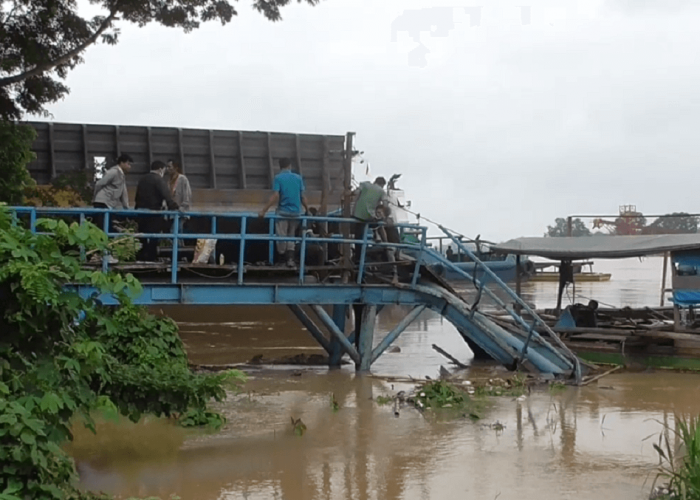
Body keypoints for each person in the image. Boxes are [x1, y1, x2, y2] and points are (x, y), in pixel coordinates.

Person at [258, 158, 308, 267]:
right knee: (291, 235)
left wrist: (263, 210)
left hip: (283, 212)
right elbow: (302, 197)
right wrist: (308, 210)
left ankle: (281, 260)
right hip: (296, 213)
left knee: (281, 236)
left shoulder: (278, 178)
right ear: (289, 165)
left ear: (280, 166)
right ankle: (290, 260)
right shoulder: (298, 178)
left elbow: (275, 196)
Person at [135, 161, 179, 262]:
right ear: (160, 169)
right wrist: (173, 206)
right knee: (154, 237)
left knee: (143, 237)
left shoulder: (142, 179)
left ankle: (141, 257)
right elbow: (166, 195)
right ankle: (151, 257)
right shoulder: (158, 180)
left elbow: (137, 197)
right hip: (154, 213)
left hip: (141, 212)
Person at [92, 153, 132, 233]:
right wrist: (95, 197)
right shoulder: (113, 172)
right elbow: (99, 183)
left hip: (108, 203)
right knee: (104, 226)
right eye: (128, 164)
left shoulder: (121, 175)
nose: (129, 167)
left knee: (108, 225)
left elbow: (123, 192)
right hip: (102, 202)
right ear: (121, 163)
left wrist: (126, 207)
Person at [351, 177, 388, 260]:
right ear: (382, 185)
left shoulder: (365, 184)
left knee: (358, 238)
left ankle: (358, 258)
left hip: (356, 215)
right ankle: (384, 243)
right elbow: (385, 205)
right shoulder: (381, 191)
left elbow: (355, 193)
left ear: (375, 181)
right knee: (380, 223)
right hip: (368, 217)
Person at [167, 160, 192, 244]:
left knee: (174, 231)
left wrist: (182, 208)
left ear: (175, 168)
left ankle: (177, 252)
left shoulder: (182, 179)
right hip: (172, 212)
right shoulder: (170, 180)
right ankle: (180, 253)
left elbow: (187, 195)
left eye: (169, 167)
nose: (167, 169)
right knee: (178, 233)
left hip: (180, 211)